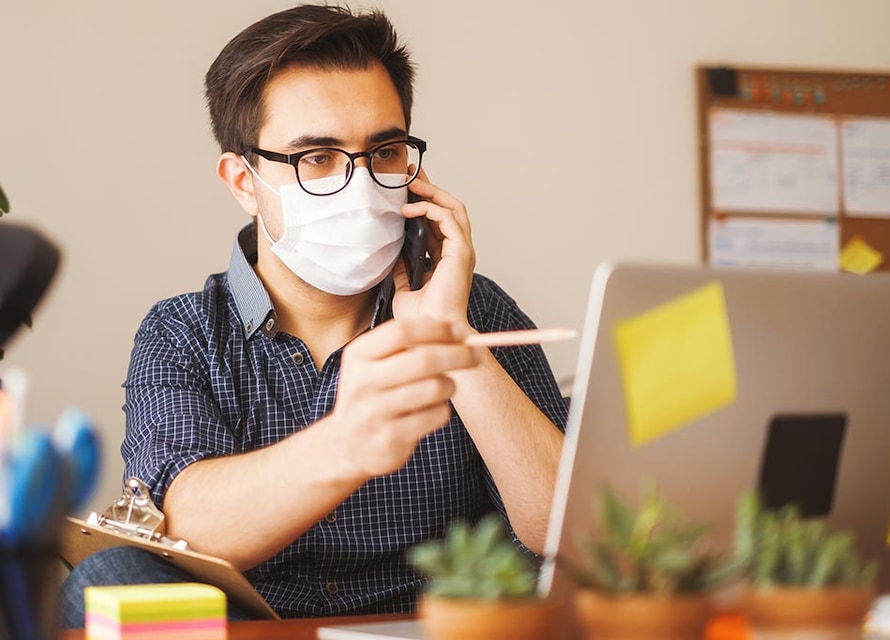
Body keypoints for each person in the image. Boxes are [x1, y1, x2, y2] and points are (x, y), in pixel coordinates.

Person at [58, 3, 568, 626]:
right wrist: (347, 442)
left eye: (385, 150)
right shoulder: (183, 333)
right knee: (106, 580)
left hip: (432, 628)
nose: (361, 184)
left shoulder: (476, 309)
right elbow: (181, 526)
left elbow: (562, 529)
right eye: (317, 157)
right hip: (252, 630)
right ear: (244, 182)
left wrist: (451, 338)